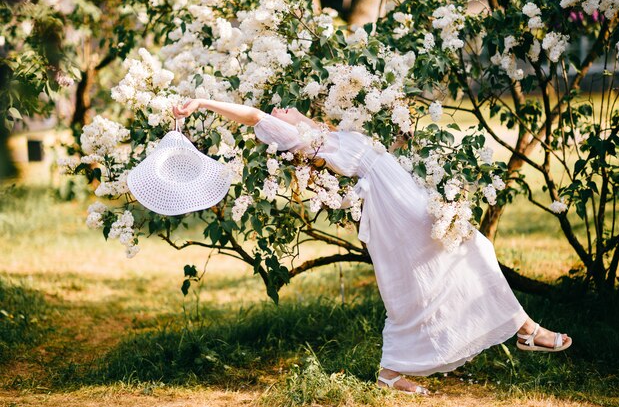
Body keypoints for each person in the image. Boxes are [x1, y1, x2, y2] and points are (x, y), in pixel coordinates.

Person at [172, 98, 571, 395]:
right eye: (278, 113)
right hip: (395, 203)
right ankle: (526, 330)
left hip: (401, 190)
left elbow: (379, 158)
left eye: (285, 108)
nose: (282, 110)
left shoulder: (328, 132)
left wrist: (399, 136)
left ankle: (393, 370)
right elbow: (251, 115)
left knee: (442, 267)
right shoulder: (298, 138)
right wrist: (202, 103)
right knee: (472, 250)